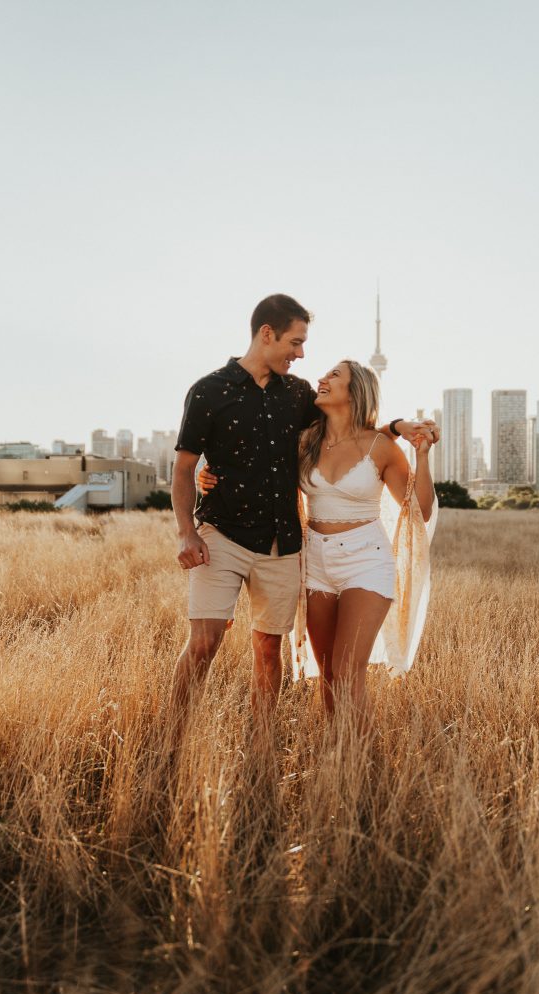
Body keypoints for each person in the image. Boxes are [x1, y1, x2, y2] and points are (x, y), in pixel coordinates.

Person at [171, 294, 437, 731]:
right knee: (213, 646)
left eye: (306, 346)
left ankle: (286, 747)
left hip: (306, 549)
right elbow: (195, 464)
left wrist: (401, 430)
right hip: (252, 544)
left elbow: (360, 431)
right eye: (296, 343)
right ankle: (174, 733)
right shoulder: (219, 395)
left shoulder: (297, 395)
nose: (303, 355)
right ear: (267, 334)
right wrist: (195, 509)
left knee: (295, 657)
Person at [295, 359, 436, 725]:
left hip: (366, 560)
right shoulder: (306, 440)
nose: (322, 379)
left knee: (346, 669)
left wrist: (421, 455)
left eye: (333, 375)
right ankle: (340, 756)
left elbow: (419, 508)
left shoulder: (381, 447)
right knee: (326, 672)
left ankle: (363, 756)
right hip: (314, 561)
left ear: (354, 390)